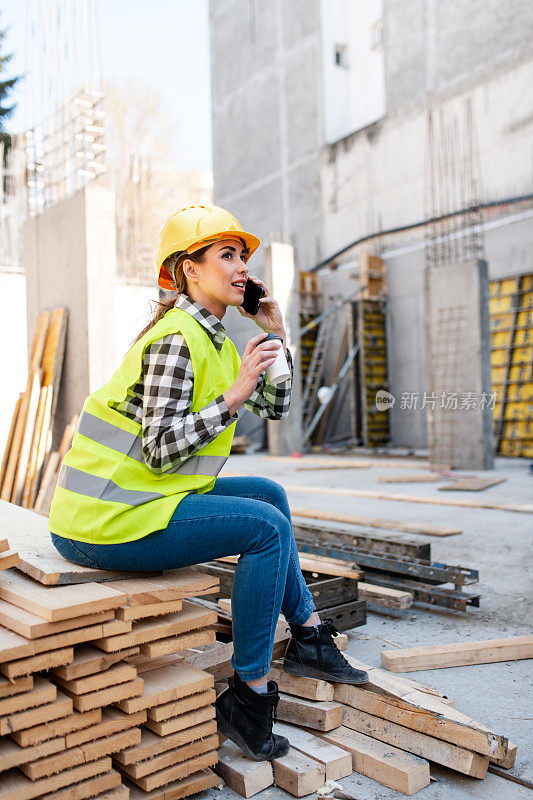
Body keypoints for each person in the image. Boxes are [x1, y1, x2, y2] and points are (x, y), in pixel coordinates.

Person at [48, 204, 368, 762]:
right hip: (104, 521)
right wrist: (234, 395)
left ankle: (310, 636)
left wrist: (277, 338)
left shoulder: (216, 338)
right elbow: (161, 447)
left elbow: (276, 408)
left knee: (270, 496)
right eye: (227, 254)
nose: (242, 265)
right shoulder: (177, 339)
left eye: (243, 255)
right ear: (188, 270)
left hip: (145, 502)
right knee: (265, 529)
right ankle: (249, 694)